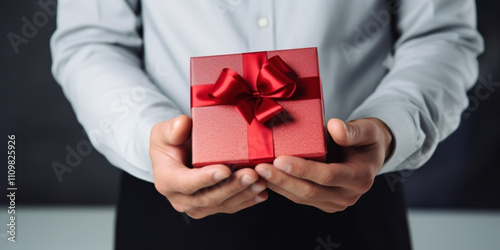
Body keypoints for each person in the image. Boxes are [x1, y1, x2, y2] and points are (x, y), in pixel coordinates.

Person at [50, 0, 483, 249]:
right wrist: (149, 134)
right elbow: (92, 39)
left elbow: (443, 36)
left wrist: (390, 128)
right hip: (173, 201)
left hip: (356, 192)